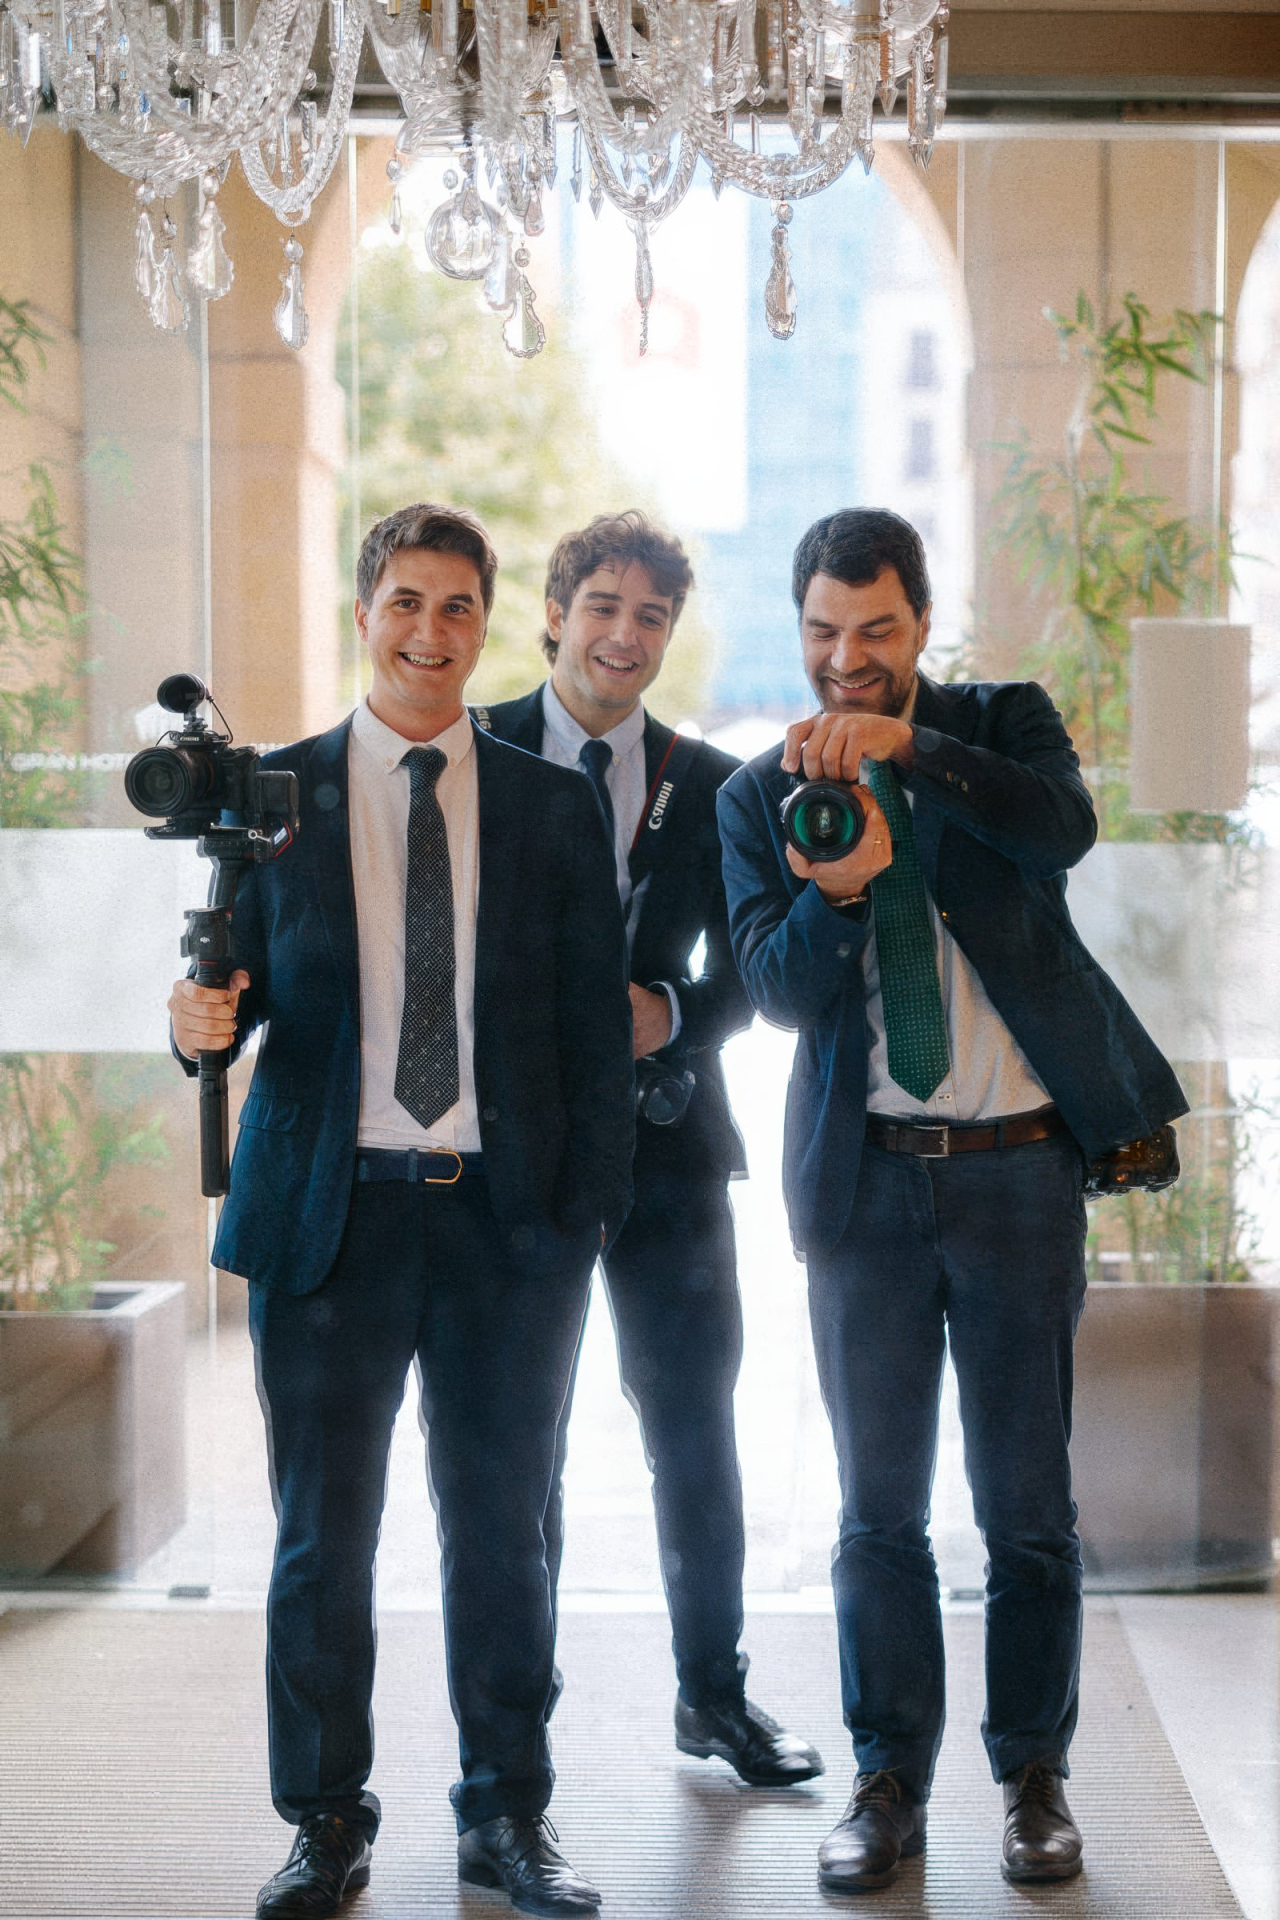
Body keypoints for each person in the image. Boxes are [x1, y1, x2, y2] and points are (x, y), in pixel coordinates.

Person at [167, 503, 635, 1920]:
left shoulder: (551, 805)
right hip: (331, 1224)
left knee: (507, 1530)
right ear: (364, 611)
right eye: (405, 604)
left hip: (506, 1230)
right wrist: (193, 1026)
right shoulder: (274, 796)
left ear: (492, 624)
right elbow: (219, 1010)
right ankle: (323, 1818)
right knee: (325, 1538)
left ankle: (507, 1817)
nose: (429, 634)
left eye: (457, 609)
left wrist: (579, 1224)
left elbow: (589, 1043)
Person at [715, 508, 1187, 1892]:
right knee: (877, 1511)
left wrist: (912, 750)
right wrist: (844, 893)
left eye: (873, 631)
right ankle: (885, 1782)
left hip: (1022, 1176)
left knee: (1029, 1504)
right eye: (820, 634)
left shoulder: (1000, 726)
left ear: (919, 623)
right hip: (869, 1191)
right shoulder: (761, 796)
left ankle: (1034, 1778)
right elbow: (780, 995)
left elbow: (1065, 831)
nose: (844, 661)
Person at [480, 510, 822, 1788]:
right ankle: (517, 1723)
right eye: (603, 606)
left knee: (693, 1431)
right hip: (513, 1159)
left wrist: (665, 1011)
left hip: (671, 1149)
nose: (624, 635)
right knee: (519, 1444)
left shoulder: (719, 781)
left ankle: (713, 1697)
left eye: (651, 616)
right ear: (556, 614)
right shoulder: (471, 750)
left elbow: (752, 972)